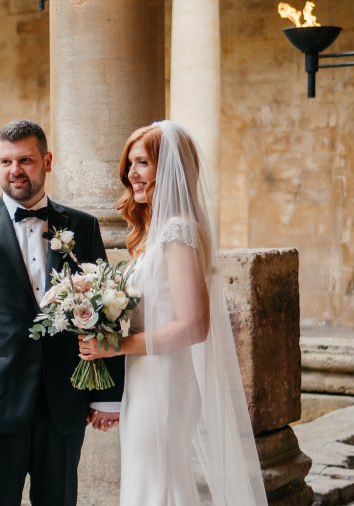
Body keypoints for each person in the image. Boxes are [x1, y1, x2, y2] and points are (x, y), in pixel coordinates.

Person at [0, 119, 126, 506]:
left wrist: (108, 396)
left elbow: (108, 309)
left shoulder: (82, 227)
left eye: (25, 160)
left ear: (47, 161)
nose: (14, 170)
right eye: (5, 162)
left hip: (65, 400)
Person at [78, 121, 267, 505]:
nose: (132, 173)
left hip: (166, 379)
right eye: (130, 163)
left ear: (170, 169)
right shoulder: (153, 235)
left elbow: (195, 326)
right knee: (152, 479)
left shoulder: (178, 233)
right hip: (145, 375)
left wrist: (114, 346)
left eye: (143, 162)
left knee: (158, 483)